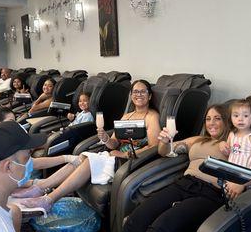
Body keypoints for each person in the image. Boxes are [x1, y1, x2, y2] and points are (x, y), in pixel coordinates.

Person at [101, 104, 231, 232]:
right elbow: (166, 151)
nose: (211, 123)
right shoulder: (197, 140)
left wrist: (233, 151)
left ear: (227, 121)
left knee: (161, 228)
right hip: (184, 184)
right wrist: (165, 140)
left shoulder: (233, 143)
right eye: (208, 119)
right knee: (137, 219)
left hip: (210, 193)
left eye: (217, 118)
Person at [13, 80, 161, 211]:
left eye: (143, 91)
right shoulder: (126, 116)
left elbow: (154, 146)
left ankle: (48, 199)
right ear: (131, 95)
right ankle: (40, 187)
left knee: (89, 160)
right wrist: (105, 139)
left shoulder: (152, 117)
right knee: (78, 159)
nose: (139, 94)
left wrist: (123, 154)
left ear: (149, 96)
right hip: (114, 156)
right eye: (135, 91)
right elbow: (114, 143)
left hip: (132, 162)